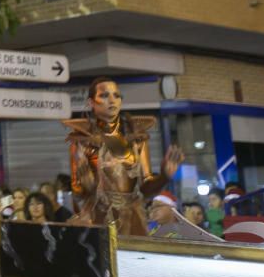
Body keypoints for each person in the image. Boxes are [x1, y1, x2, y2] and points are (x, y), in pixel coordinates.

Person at [63, 77, 183, 236]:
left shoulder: (137, 137)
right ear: (91, 103)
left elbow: (146, 189)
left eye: (116, 95)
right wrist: (88, 187)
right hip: (98, 217)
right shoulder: (82, 139)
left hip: (133, 219)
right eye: (104, 95)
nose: (112, 100)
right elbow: (77, 192)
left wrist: (164, 177)